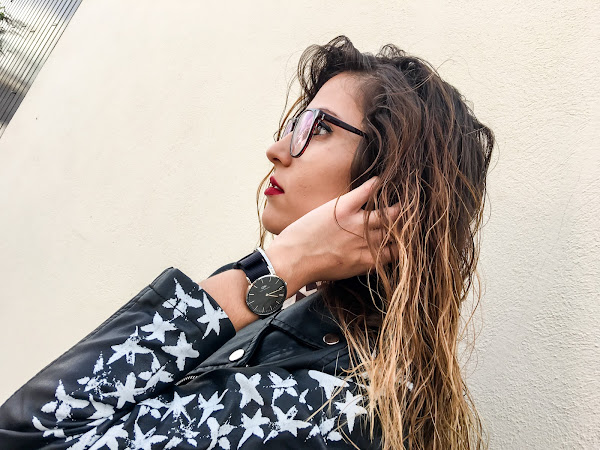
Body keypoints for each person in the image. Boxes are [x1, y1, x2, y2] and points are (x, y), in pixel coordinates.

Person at [0, 36, 494, 449]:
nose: (276, 149)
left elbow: (27, 434)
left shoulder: (330, 409)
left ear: (391, 186)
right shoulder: (290, 331)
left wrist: (278, 265)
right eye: (295, 125)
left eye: (317, 128)